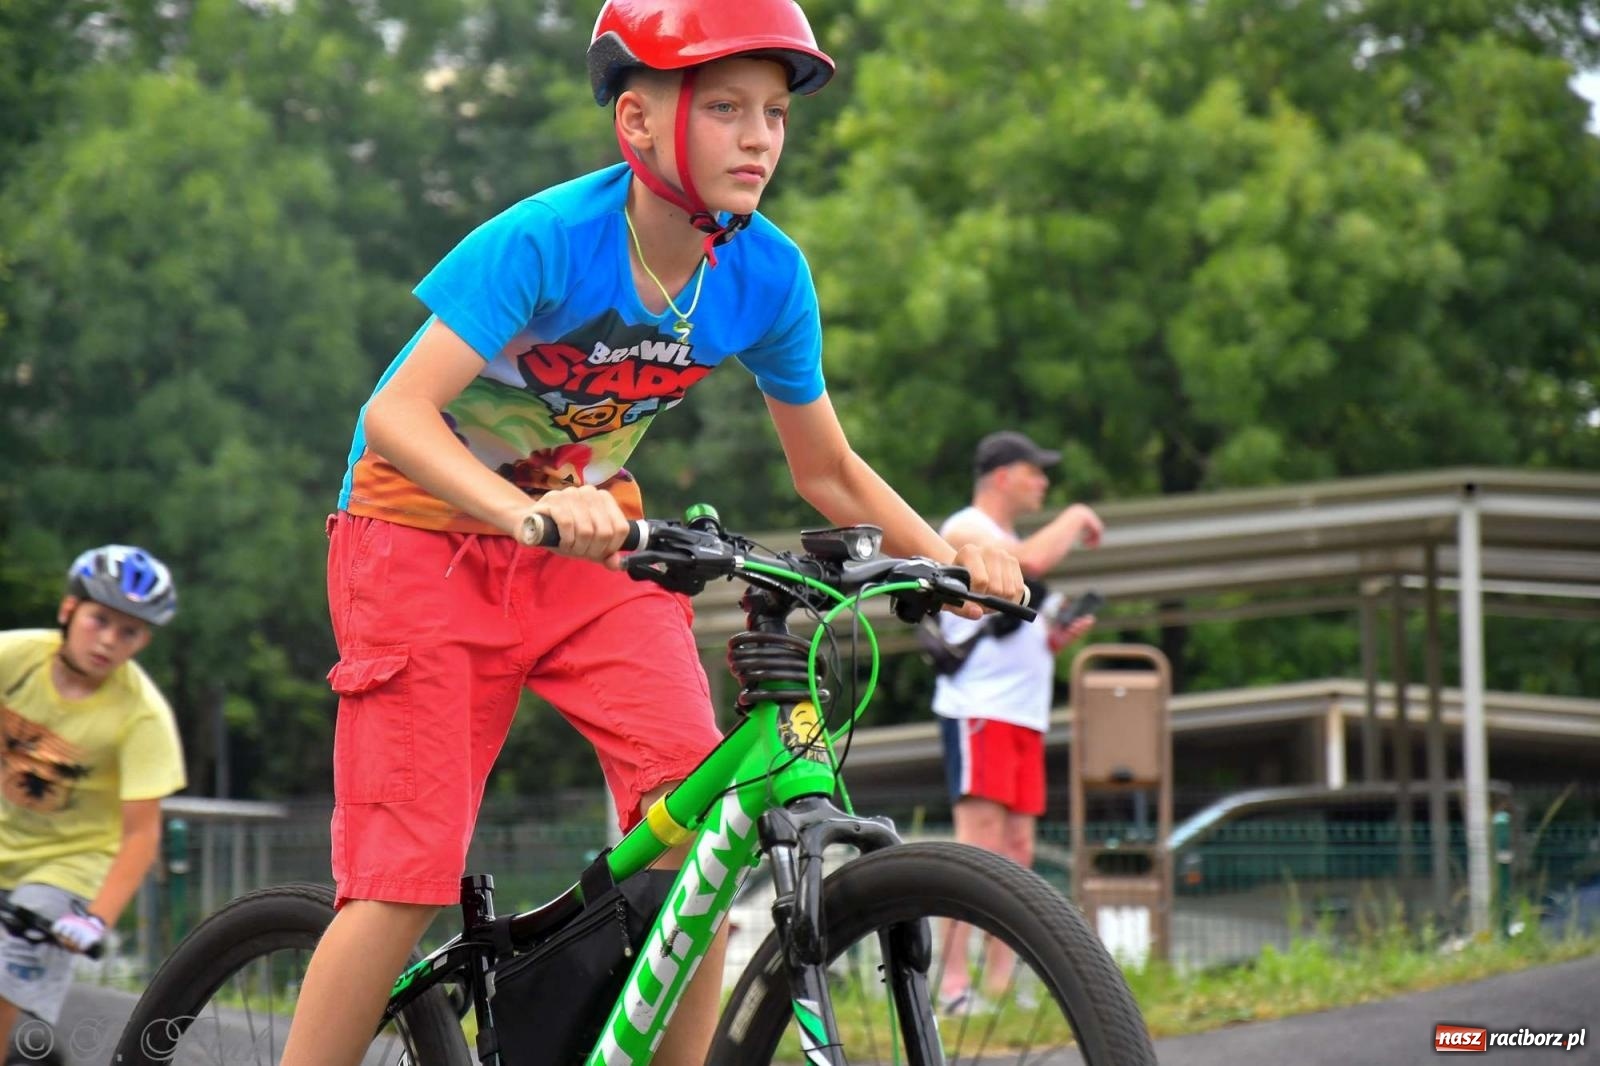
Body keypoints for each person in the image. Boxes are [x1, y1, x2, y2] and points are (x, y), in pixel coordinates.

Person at [277, 3, 1024, 1064]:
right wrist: (521, 509)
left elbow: (825, 468)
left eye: (773, 111)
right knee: (404, 879)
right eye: (725, 108)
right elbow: (394, 416)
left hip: (589, 553)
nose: (760, 135)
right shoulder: (548, 240)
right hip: (416, 543)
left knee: (703, 831)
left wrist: (952, 561)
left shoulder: (766, 275)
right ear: (637, 123)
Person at [932, 430, 1103, 1012]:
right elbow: (1030, 560)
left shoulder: (1003, 542)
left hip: (1022, 715)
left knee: (1019, 849)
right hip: (979, 711)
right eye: (1036, 472)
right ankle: (953, 987)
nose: (1045, 484)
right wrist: (1078, 515)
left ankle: (1000, 988)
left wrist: (1056, 637)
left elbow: (1018, 637)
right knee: (977, 846)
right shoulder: (968, 529)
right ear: (1003, 475)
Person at [1, 546, 185, 1059]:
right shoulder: (14, 658)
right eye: (99, 619)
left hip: (68, 868)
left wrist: (96, 919)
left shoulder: (142, 716)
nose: (108, 640)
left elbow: (141, 834)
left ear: (144, 640)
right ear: (67, 610)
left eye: (128, 632)